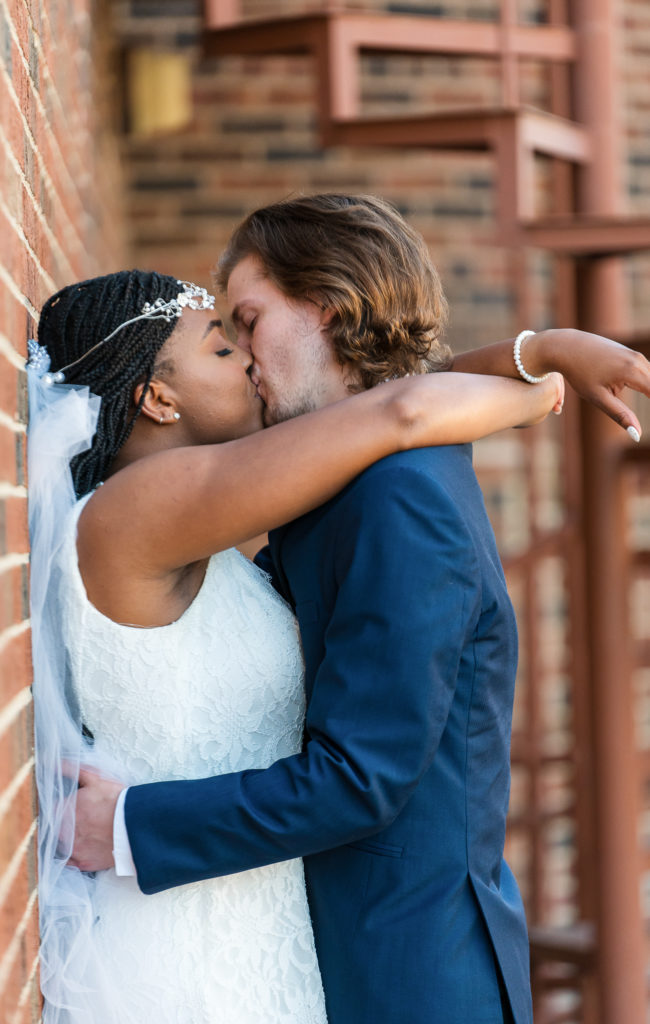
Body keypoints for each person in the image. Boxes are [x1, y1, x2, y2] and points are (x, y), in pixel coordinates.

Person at [68, 195, 650, 1024]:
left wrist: (130, 826)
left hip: (411, 978)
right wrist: (535, 357)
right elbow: (402, 402)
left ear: (327, 308)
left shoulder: (398, 499)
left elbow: (360, 777)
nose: (244, 358)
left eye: (249, 320)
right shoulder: (358, 475)